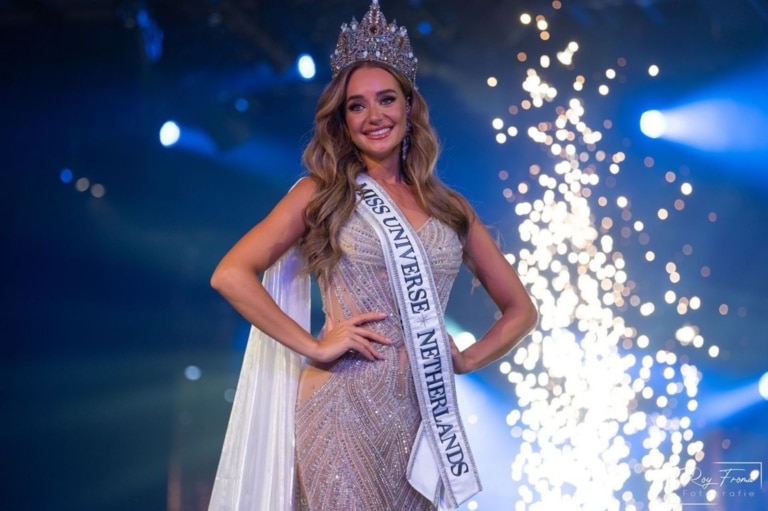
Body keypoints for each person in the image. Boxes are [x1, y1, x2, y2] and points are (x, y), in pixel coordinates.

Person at [208, 1, 537, 510]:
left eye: (386, 100)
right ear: (342, 119)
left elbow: (522, 310)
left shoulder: (451, 209)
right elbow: (231, 273)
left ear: (409, 107)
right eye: (356, 106)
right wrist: (313, 346)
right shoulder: (321, 192)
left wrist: (467, 359)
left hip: (421, 419)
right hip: (340, 407)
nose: (374, 116)